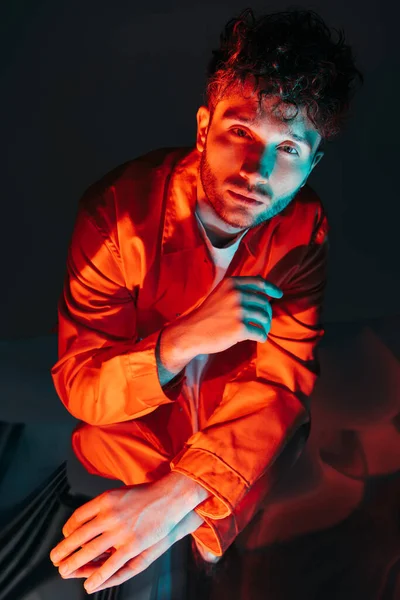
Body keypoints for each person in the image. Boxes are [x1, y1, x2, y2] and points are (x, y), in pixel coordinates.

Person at [49, 7, 364, 595]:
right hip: (128, 441)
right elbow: (80, 385)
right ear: (203, 127)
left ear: (312, 164)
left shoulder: (303, 227)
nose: (257, 170)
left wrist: (179, 498)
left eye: (289, 147)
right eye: (240, 131)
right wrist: (185, 338)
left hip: (242, 447)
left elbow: (282, 382)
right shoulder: (115, 214)